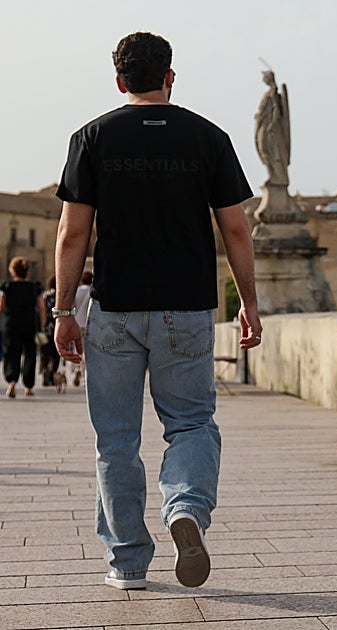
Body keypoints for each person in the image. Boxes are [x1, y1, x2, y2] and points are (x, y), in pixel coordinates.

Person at [54, 32, 262, 591]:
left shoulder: (91, 137)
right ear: (170, 77)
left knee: (116, 440)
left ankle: (126, 565)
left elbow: (74, 234)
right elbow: (236, 227)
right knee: (191, 423)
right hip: (187, 309)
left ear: (120, 82)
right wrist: (247, 301)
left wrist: (62, 311)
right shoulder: (209, 137)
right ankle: (186, 509)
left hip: (116, 309)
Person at [0, 257, 47, 398]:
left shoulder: (7, 287)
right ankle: (28, 386)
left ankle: (12, 382)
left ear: (13, 271)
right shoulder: (34, 287)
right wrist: (42, 324)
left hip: (11, 324)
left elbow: (1, 306)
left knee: (11, 352)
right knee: (30, 353)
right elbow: (42, 307)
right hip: (29, 324)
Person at [68, 270, 93, 387]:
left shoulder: (76, 292)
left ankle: (76, 369)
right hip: (90, 325)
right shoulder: (92, 292)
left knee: (77, 350)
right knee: (88, 352)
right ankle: (85, 375)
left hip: (77, 324)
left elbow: (72, 308)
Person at [39, 276, 60, 387]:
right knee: (55, 353)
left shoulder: (45, 295)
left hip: (46, 327)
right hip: (57, 326)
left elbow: (41, 309)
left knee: (45, 352)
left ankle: (45, 372)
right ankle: (52, 374)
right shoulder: (61, 296)